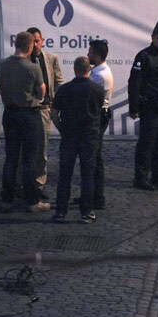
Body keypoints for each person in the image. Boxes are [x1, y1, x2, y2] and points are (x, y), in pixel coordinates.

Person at [0, 30, 49, 213]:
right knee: (29, 159)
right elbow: (42, 92)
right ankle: (32, 201)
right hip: (29, 115)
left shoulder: (1, 65)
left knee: (11, 158)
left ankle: (7, 199)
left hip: (10, 113)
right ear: (30, 46)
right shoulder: (33, 68)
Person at [51, 57, 105, 224]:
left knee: (65, 174)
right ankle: (86, 212)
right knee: (87, 174)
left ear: (74, 69)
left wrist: (61, 128)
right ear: (89, 69)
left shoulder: (65, 89)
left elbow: (54, 113)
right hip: (89, 136)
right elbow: (99, 112)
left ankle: (60, 211)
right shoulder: (97, 90)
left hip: (69, 135)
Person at [128, 19, 158, 191]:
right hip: (150, 108)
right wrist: (134, 107)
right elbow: (134, 83)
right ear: (152, 37)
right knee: (146, 143)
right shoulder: (144, 56)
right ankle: (140, 177)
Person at [26, 26, 63, 201]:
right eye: (31, 41)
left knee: (42, 150)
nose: (35, 44)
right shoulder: (23, 60)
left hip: (44, 110)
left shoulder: (51, 59)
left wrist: (57, 103)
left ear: (42, 41)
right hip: (27, 110)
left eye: (37, 40)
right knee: (24, 150)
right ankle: (23, 184)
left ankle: (39, 184)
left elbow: (58, 82)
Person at [88, 39, 114, 209]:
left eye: (90, 52)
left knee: (95, 157)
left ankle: (96, 196)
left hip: (98, 117)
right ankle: (92, 194)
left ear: (96, 55)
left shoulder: (99, 75)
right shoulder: (100, 71)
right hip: (100, 115)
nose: (88, 54)